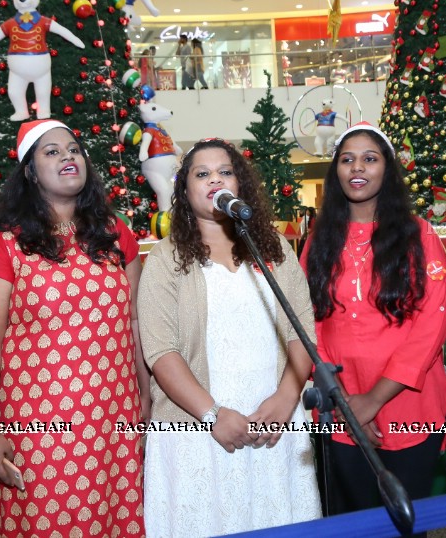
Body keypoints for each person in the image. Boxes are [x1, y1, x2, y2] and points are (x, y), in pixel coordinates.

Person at [0, 119, 149, 536]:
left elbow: (137, 321)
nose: (68, 156)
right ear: (30, 172)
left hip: (115, 416)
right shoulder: (4, 244)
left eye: (73, 149)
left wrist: (146, 396)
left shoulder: (114, 233)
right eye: (51, 152)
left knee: (120, 521)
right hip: (44, 425)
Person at [137, 138, 321, 536]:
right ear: (185, 191)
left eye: (225, 172)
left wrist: (286, 398)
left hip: (275, 422)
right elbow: (160, 350)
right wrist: (212, 415)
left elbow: (300, 328)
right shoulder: (164, 258)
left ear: (240, 185)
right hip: (196, 430)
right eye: (202, 174)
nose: (214, 180)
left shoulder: (274, 249)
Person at [302, 122, 446, 524]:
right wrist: (349, 406)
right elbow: (308, 321)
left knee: (407, 524)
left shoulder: (418, 234)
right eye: (348, 159)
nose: (358, 168)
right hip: (340, 406)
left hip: (408, 403)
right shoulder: (319, 239)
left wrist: (371, 402)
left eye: (370, 159)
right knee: (355, 524)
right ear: (335, 171)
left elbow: (432, 325)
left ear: (387, 169)